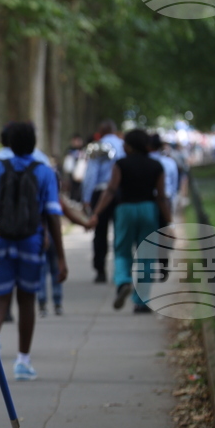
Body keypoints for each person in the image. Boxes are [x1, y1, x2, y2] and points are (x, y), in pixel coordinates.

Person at [0, 122, 68, 380]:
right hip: (31, 242)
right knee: (27, 299)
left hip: (1, 242)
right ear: (33, 142)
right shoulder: (45, 171)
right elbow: (53, 214)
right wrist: (61, 257)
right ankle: (23, 361)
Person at [89, 129, 171, 313]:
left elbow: (110, 190)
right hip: (149, 210)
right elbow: (162, 196)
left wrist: (96, 212)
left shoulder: (120, 164)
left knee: (122, 251)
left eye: (125, 144)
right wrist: (169, 221)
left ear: (130, 146)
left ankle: (123, 281)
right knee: (147, 256)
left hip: (125, 209)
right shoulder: (156, 165)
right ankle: (141, 301)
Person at [82, 120, 125, 283]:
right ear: (114, 131)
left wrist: (86, 199)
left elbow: (91, 174)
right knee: (121, 233)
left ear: (101, 131)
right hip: (120, 193)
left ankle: (100, 271)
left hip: (100, 192)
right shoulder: (123, 145)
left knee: (100, 233)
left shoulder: (97, 146)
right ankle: (120, 271)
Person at [149, 134, 179, 219]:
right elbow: (174, 183)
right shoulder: (169, 162)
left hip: (150, 200)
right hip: (166, 198)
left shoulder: (145, 162)